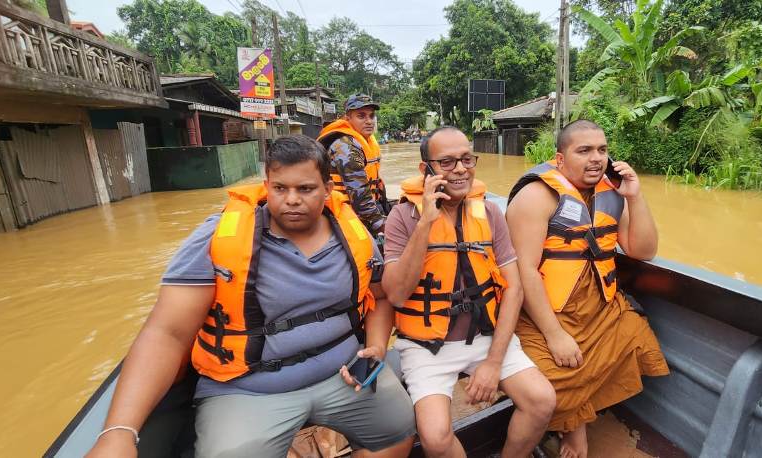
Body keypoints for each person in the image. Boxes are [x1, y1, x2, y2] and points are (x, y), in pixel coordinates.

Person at [86, 135, 415, 458]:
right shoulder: (219, 239)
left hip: (344, 374)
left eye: (305, 189)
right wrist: (119, 431)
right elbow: (167, 333)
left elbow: (379, 297)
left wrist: (375, 347)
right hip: (248, 389)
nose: (292, 200)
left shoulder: (352, 232)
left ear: (328, 189)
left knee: (398, 431)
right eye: (280, 188)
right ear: (266, 185)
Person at [381, 126, 556, 458]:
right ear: (426, 169)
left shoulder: (489, 213)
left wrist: (493, 362)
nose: (460, 169)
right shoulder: (402, 217)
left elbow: (514, 289)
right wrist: (425, 223)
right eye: (447, 162)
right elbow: (397, 295)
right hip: (427, 346)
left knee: (541, 401)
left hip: (486, 337)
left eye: (466, 159)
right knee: (435, 439)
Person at [506, 120, 669, 458]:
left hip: (599, 304)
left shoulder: (613, 192)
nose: (596, 158)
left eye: (602, 150)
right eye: (584, 150)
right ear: (560, 158)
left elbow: (644, 250)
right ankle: (574, 425)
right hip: (546, 309)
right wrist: (554, 334)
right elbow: (524, 272)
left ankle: (575, 421)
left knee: (637, 336)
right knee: (552, 376)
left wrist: (635, 197)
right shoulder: (536, 196)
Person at [318, 94, 390, 235]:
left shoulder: (365, 141)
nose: (369, 121)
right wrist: (381, 225)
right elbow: (359, 193)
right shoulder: (345, 146)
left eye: (371, 116)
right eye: (361, 116)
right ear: (348, 119)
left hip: (362, 211)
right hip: (343, 213)